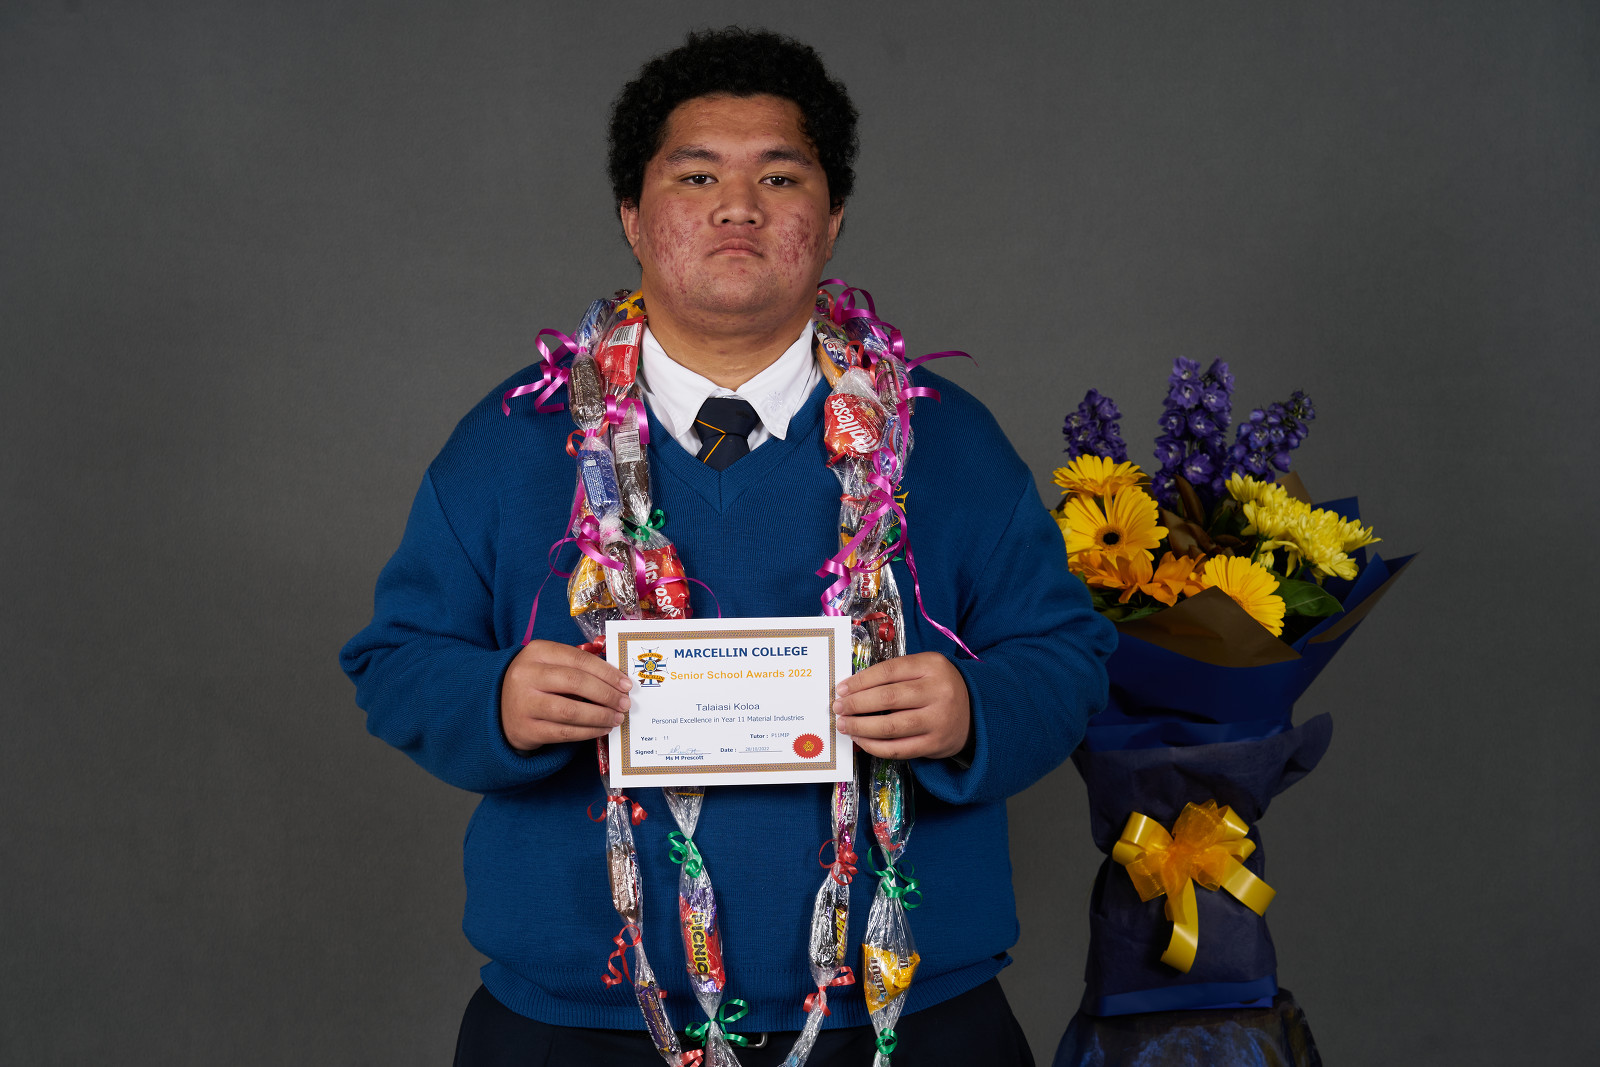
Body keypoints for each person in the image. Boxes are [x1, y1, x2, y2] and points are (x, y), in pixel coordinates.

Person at [341, 27, 1115, 1067]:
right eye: (697, 174)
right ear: (633, 214)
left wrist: (975, 708)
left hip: (906, 1022)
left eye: (779, 177)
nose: (737, 206)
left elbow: (1070, 657)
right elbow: (395, 660)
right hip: (578, 1025)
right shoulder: (512, 440)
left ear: (831, 220)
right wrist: (495, 701)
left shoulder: (947, 441)